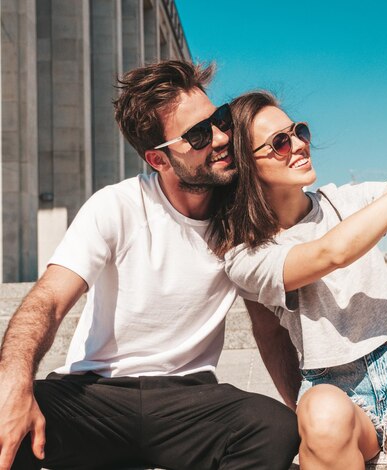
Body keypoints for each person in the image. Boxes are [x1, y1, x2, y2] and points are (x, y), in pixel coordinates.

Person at [211, 49, 387, 469]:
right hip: (332, 388)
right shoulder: (246, 255)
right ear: (247, 164)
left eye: (298, 132)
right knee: (321, 415)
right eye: (278, 143)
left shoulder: (349, 200)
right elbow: (331, 253)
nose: (297, 145)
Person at [0, 60, 300, 470]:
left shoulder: (239, 218)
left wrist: (300, 408)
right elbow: (48, 300)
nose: (220, 137)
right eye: (197, 135)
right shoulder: (117, 205)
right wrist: (13, 384)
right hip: (95, 397)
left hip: (190, 403)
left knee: (275, 427)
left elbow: (266, 326)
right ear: (158, 160)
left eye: (220, 119)